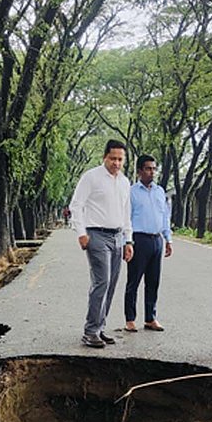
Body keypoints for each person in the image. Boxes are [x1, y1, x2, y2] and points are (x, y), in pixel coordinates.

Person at [69, 139, 134, 348]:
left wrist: (128, 240)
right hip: (96, 235)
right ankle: (90, 331)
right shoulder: (91, 177)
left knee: (112, 283)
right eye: (113, 158)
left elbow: (126, 214)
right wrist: (81, 233)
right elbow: (76, 205)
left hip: (117, 237)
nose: (116, 163)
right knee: (102, 281)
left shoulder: (124, 182)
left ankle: (100, 327)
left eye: (120, 159)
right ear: (105, 157)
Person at [124, 154, 172, 333]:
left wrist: (168, 239)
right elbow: (126, 218)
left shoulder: (160, 191)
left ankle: (150, 318)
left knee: (153, 281)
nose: (152, 172)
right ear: (139, 171)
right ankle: (130, 319)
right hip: (138, 239)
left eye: (154, 169)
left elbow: (164, 216)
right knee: (133, 281)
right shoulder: (131, 192)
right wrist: (126, 242)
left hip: (156, 239)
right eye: (148, 169)